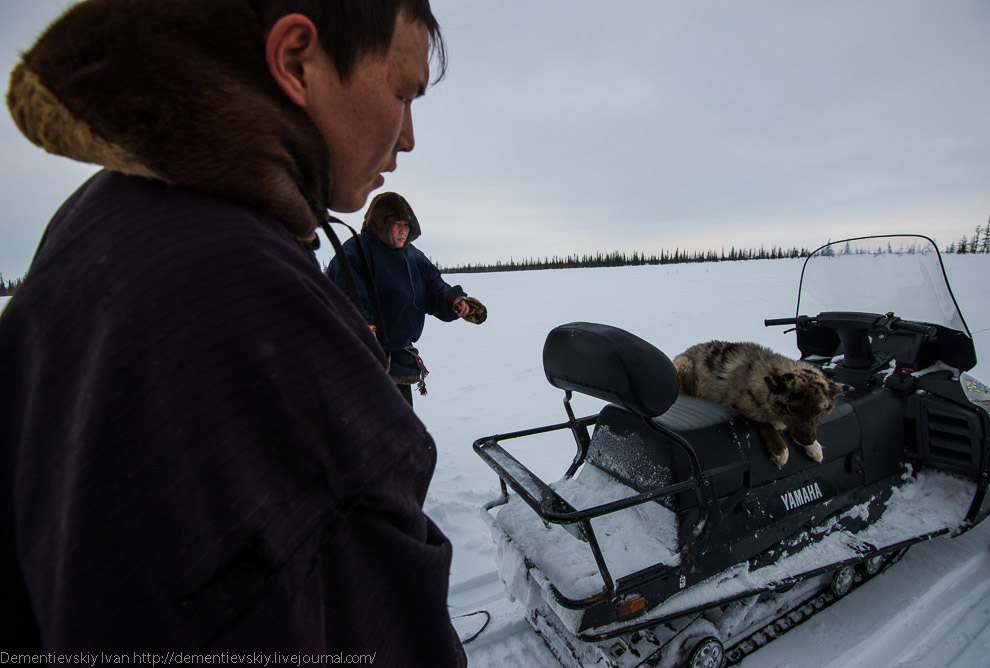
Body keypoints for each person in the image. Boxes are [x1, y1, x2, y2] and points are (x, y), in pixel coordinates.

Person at [0, 0, 466, 663]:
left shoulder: (103, 216)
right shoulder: (237, 290)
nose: (409, 135)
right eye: (403, 93)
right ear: (295, 59)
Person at [326, 192, 486, 405]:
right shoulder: (356, 251)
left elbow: (432, 286)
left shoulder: (412, 255)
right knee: (368, 429)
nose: (403, 230)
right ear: (382, 223)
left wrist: (454, 301)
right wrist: (362, 327)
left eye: (407, 225)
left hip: (397, 359)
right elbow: (345, 295)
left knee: (399, 428)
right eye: (396, 224)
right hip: (362, 360)